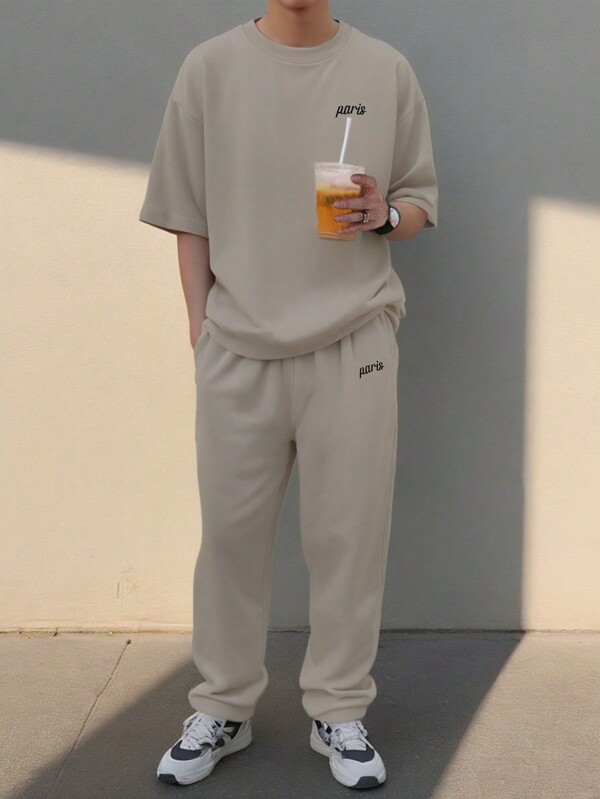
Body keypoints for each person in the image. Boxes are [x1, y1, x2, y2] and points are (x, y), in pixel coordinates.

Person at [138, 0, 438, 789]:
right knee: (230, 540)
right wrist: (202, 328)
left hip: (354, 341)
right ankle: (223, 705)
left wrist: (384, 214)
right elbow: (186, 210)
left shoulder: (384, 70)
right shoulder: (210, 69)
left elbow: (420, 199)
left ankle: (338, 708)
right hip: (239, 347)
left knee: (349, 539)